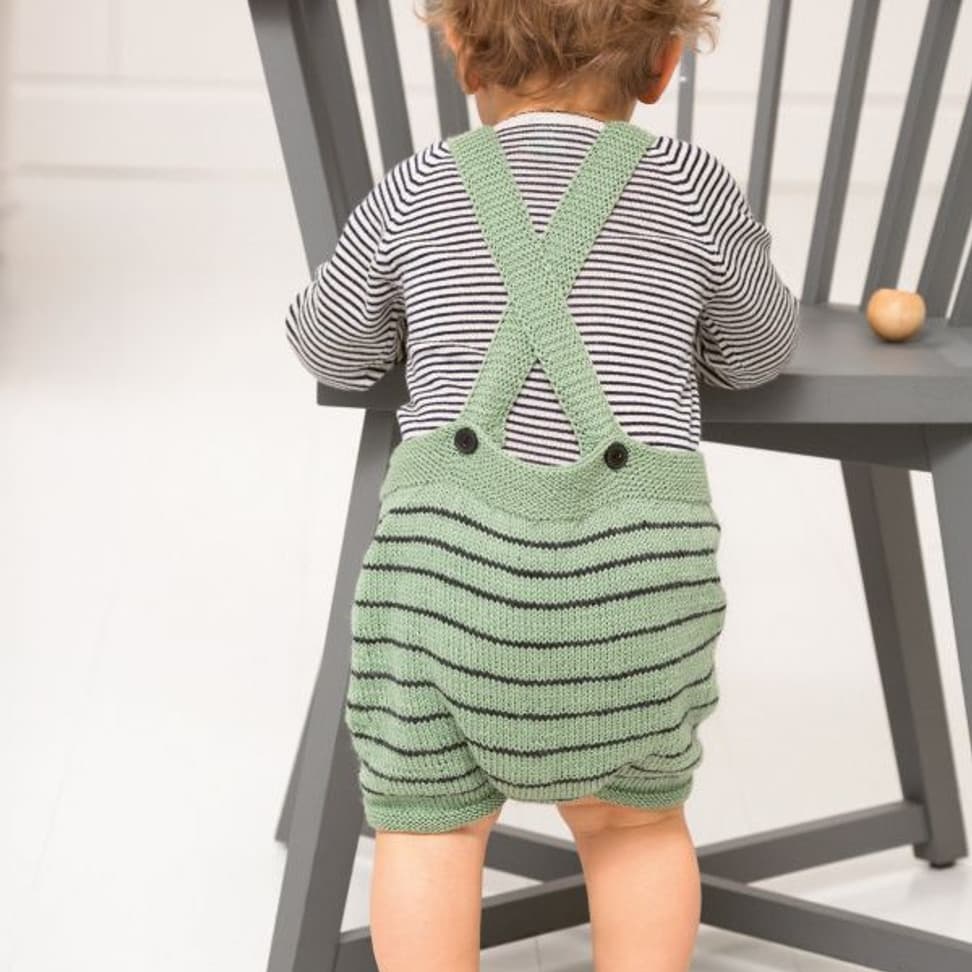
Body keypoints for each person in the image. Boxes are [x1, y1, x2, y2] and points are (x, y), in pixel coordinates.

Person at [283, 1, 799, 969]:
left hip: (446, 591)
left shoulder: (418, 188)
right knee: (635, 826)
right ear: (664, 64)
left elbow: (330, 348)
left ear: (462, 51)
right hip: (636, 593)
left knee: (428, 830)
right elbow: (762, 350)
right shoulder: (691, 186)